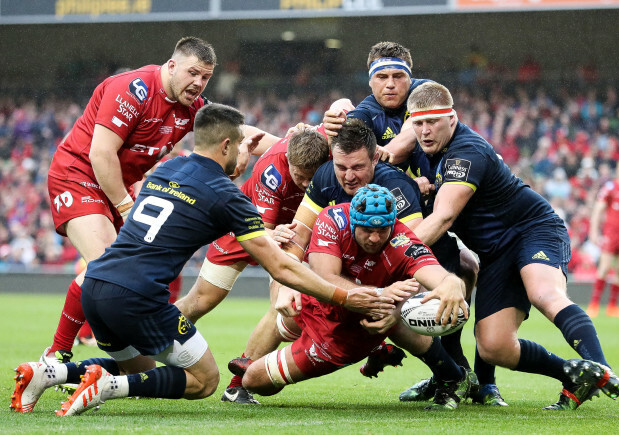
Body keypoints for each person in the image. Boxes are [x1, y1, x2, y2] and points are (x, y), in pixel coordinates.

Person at [10, 103, 394, 416]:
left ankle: (49, 372)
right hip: (138, 298)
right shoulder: (225, 195)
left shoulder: (167, 168)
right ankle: (106, 387)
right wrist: (342, 296)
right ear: (226, 146)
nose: (249, 151)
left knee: (143, 369)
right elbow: (280, 265)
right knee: (204, 380)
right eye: (243, 144)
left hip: (95, 287)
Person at [41, 36, 279, 365]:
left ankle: (93, 371)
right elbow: (100, 154)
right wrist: (127, 206)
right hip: (79, 175)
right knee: (108, 267)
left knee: (140, 362)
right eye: (193, 72)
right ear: (171, 66)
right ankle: (56, 355)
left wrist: (288, 144)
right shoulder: (133, 89)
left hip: (118, 185)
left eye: (206, 77)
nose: (198, 83)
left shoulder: (191, 106)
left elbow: (239, 132)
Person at [401, 80, 619, 410]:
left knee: (544, 294)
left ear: (452, 118)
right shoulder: (424, 145)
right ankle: (572, 375)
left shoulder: (466, 152)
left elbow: (444, 218)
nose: (424, 130)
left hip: (534, 230)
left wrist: (397, 255)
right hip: (495, 253)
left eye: (432, 121)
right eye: (417, 123)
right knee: (493, 346)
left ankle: (601, 369)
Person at [322, 41, 497, 405]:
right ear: (369, 82)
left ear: (411, 77)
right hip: (389, 223)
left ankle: (468, 378)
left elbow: (403, 140)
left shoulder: (426, 98)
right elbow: (349, 150)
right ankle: (453, 375)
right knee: (431, 283)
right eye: (381, 77)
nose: (390, 84)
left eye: (398, 76)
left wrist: (388, 159)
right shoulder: (364, 114)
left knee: (455, 276)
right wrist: (337, 114)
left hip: (434, 218)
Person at [235, 184, 472, 409]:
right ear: (353, 223)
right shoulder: (332, 219)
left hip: (348, 333)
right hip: (319, 301)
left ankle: (379, 349)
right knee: (281, 310)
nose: (375, 238)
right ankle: (234, 389)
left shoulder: (403, 241)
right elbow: (323, 278)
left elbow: (437, 277)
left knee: (255, 381)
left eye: (382, 230)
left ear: (392, 224)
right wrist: (381, 294)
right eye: (367, 230)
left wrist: (452, 282)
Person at [174, 127, 330, 403]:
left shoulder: (323, 148)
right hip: (246, 230)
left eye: (312, 177)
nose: (306, 184)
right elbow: (261, 235)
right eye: (300, 177)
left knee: (283, 310)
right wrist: (275, 234)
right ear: (289, 162)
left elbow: (342, 109)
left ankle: (237, 388)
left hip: (291, 238)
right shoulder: (272, 171)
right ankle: (142, 346)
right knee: (199, 302)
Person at [586, 158, 619, 318]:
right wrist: (594, 231)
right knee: (604, 268)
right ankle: (594, 304)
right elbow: (598, 210)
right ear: (618, 171)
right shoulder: (611, 187)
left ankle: (612, 306)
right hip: (612, 233)